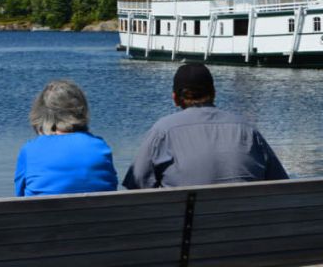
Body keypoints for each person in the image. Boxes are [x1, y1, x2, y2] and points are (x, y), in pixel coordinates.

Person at [123, 64, 288, 189]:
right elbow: (281, 184)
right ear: (213, 93)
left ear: (175, 98)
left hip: (187, 232)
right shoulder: (247, 129)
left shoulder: (163, 131)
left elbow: (137, 183)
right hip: (247, 231)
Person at [15, 80, 117, 197]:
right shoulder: (100, 146)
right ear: (81, 110)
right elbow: (111, 186)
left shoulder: (30, 150)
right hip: (101, 215)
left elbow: (20, 196)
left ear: (41, 113)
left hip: (41, 214)